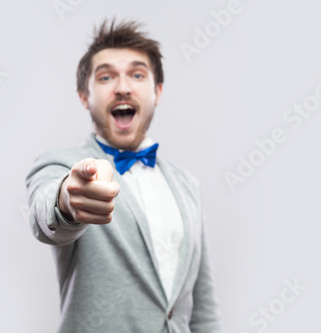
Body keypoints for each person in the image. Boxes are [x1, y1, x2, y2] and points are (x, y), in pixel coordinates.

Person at [26, 18, 223, 333]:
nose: (122, 87)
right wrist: (67, 200)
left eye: (137, 74)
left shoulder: (189, 186)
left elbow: (203, 308)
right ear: (84, 96)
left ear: (157, 91)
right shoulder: (59, 164)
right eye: (105, 77)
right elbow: (44, 215)